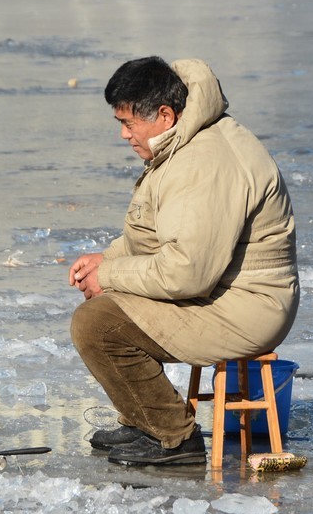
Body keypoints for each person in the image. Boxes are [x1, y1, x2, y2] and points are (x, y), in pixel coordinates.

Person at [68, 57, 299, 466]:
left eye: (128, 123)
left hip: (247, 306)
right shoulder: (184, 141)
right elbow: (157, 235)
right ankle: (144, 420)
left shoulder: (202, 163)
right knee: (106, 307)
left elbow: (187, 272)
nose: (124, 135)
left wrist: (109, 275)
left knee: (99, 324)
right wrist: (105, 259)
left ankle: (172, 438)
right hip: (223, 290)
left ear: (164, 115)